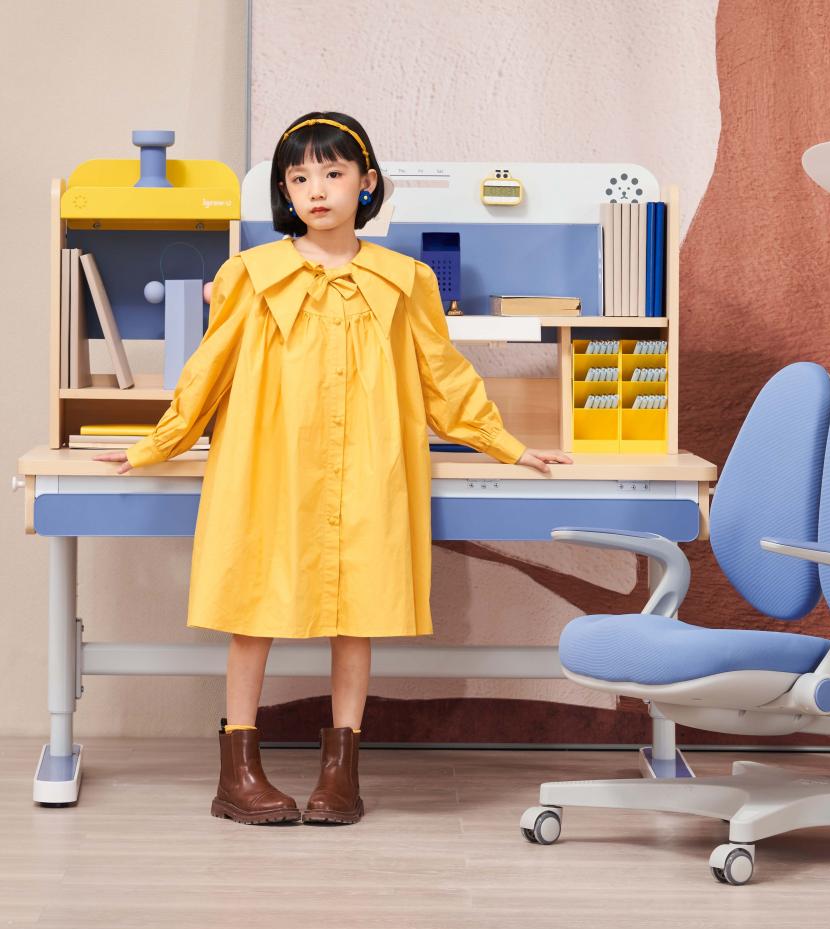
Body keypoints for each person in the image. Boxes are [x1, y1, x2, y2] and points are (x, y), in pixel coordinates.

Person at [95, 112, 573, 826]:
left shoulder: (404, 281)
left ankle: (340, 772)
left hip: (367, 468)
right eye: (299, 177)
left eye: (332, 172)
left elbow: (445, 380)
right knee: (252, 607)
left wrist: (507, 444)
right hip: (269, 466)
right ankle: (239, 772)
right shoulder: (249, 277)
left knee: (357, 614)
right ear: (286, 192)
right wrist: (154, 444)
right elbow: (208, 374)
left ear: (366, 182)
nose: (315, 189)